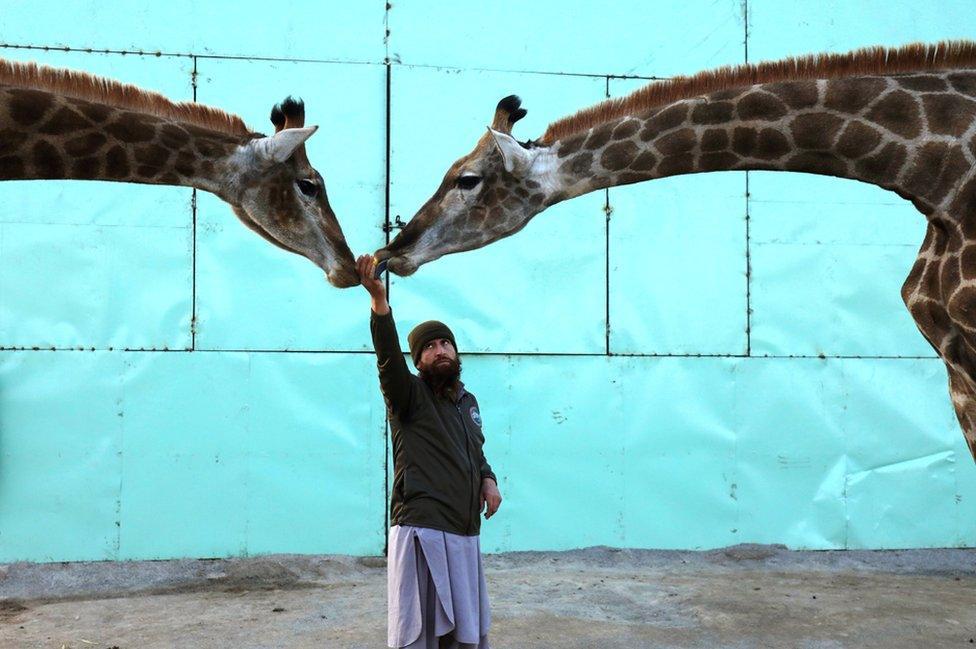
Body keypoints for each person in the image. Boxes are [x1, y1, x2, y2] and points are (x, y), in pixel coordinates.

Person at [356, 254, 502, 649]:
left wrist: (488, 479)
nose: (440, 351)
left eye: (445, 343)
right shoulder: (409, 396)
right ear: (418, 360)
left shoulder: (468, 402)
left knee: (461, 638)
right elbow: (387, 360)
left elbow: (476, 450)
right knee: (420, 637)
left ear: (455, 352)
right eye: (429, 347)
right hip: (422, 529)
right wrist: (379, 304)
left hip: (464, 532)